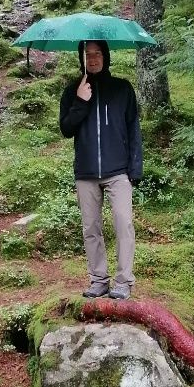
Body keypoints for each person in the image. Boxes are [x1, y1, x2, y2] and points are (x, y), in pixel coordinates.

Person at [59, 39, 142, 300]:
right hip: (86, 173)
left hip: (118, 171)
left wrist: (135, 168)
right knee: (91, 228)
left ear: (105, 56)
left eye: (97, 53)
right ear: (81, 58)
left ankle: (124, 281)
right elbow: (66, 128)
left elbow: (133, 130)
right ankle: (98, 280)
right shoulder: (72, 90)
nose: (92, 58)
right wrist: (81, 101)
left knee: (123, 223)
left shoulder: (122, 89)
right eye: (87, 54)